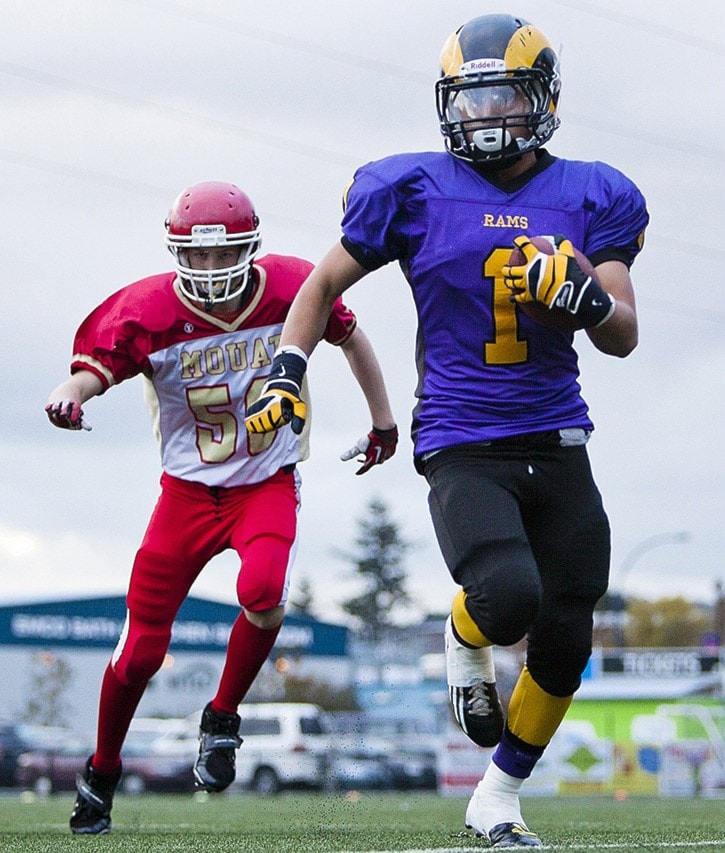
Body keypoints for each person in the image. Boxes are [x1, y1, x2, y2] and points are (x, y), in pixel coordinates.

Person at [244, 14, 648, 849]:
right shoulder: (413, 186)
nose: (485, 114)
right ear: (445, 103)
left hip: (557, 432)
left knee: (569, 628)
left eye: (502, 93)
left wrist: (588, 302)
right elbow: (322, 280)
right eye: (470, 97)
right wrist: (289, 361)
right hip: (462, 435)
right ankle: (463, 634)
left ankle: (497, 796)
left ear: (542, 98)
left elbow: (623, 332)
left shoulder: (591, 192)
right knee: (507, 601)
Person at [45, 180, 398, 835]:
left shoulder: (291, 286)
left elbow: (350, 335)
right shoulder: (146, 308)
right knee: (141, 650)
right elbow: (96, 367)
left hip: (265, 478)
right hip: (185, 492)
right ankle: (100, 771)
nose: (209, 269)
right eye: (197, 256)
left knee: (263, 590)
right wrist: (72, 395)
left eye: (222, 253)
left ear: (251, 247)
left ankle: (222, 716)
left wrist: (383, 422)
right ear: (176, 251)